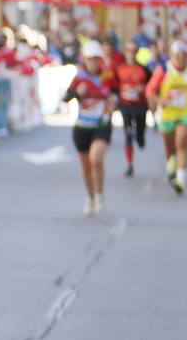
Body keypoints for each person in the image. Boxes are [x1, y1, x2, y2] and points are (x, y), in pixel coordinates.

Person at [64, 40, 117, 215]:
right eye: (90, 59)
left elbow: (117, 93)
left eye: (96, 58)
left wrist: (113, 101)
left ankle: (100, 193)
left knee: (96, 158)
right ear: (85, 59)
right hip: (82, 127)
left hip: (101, 124)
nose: (93, 62)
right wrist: (76, 93)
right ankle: (90, 196)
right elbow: (65, 97)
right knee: (86, 166)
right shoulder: (79, 77)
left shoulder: (107, 76)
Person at [144, 39, 187, 195]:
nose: (180, 57)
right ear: (171, 55)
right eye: (177, 54)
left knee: (182, 142)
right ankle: (171, 162)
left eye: (183, 54)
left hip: (186, 112)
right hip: (167, 114)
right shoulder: (163, 69)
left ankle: (180, 178)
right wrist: (159, 100)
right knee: (170, 146)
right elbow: (150, 90)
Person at [115, 38, 151, 177]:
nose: (131, 54)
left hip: (140, 106)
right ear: (125, 52)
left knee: (139, 135)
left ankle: (141, 138)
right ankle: (130, 165)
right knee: (128, 134)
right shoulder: (120, 68)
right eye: (129, 51)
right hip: (126, 106)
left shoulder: (144, 69)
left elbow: (152, 86)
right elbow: (114, 86)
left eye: (134, 51)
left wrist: (144, 89)